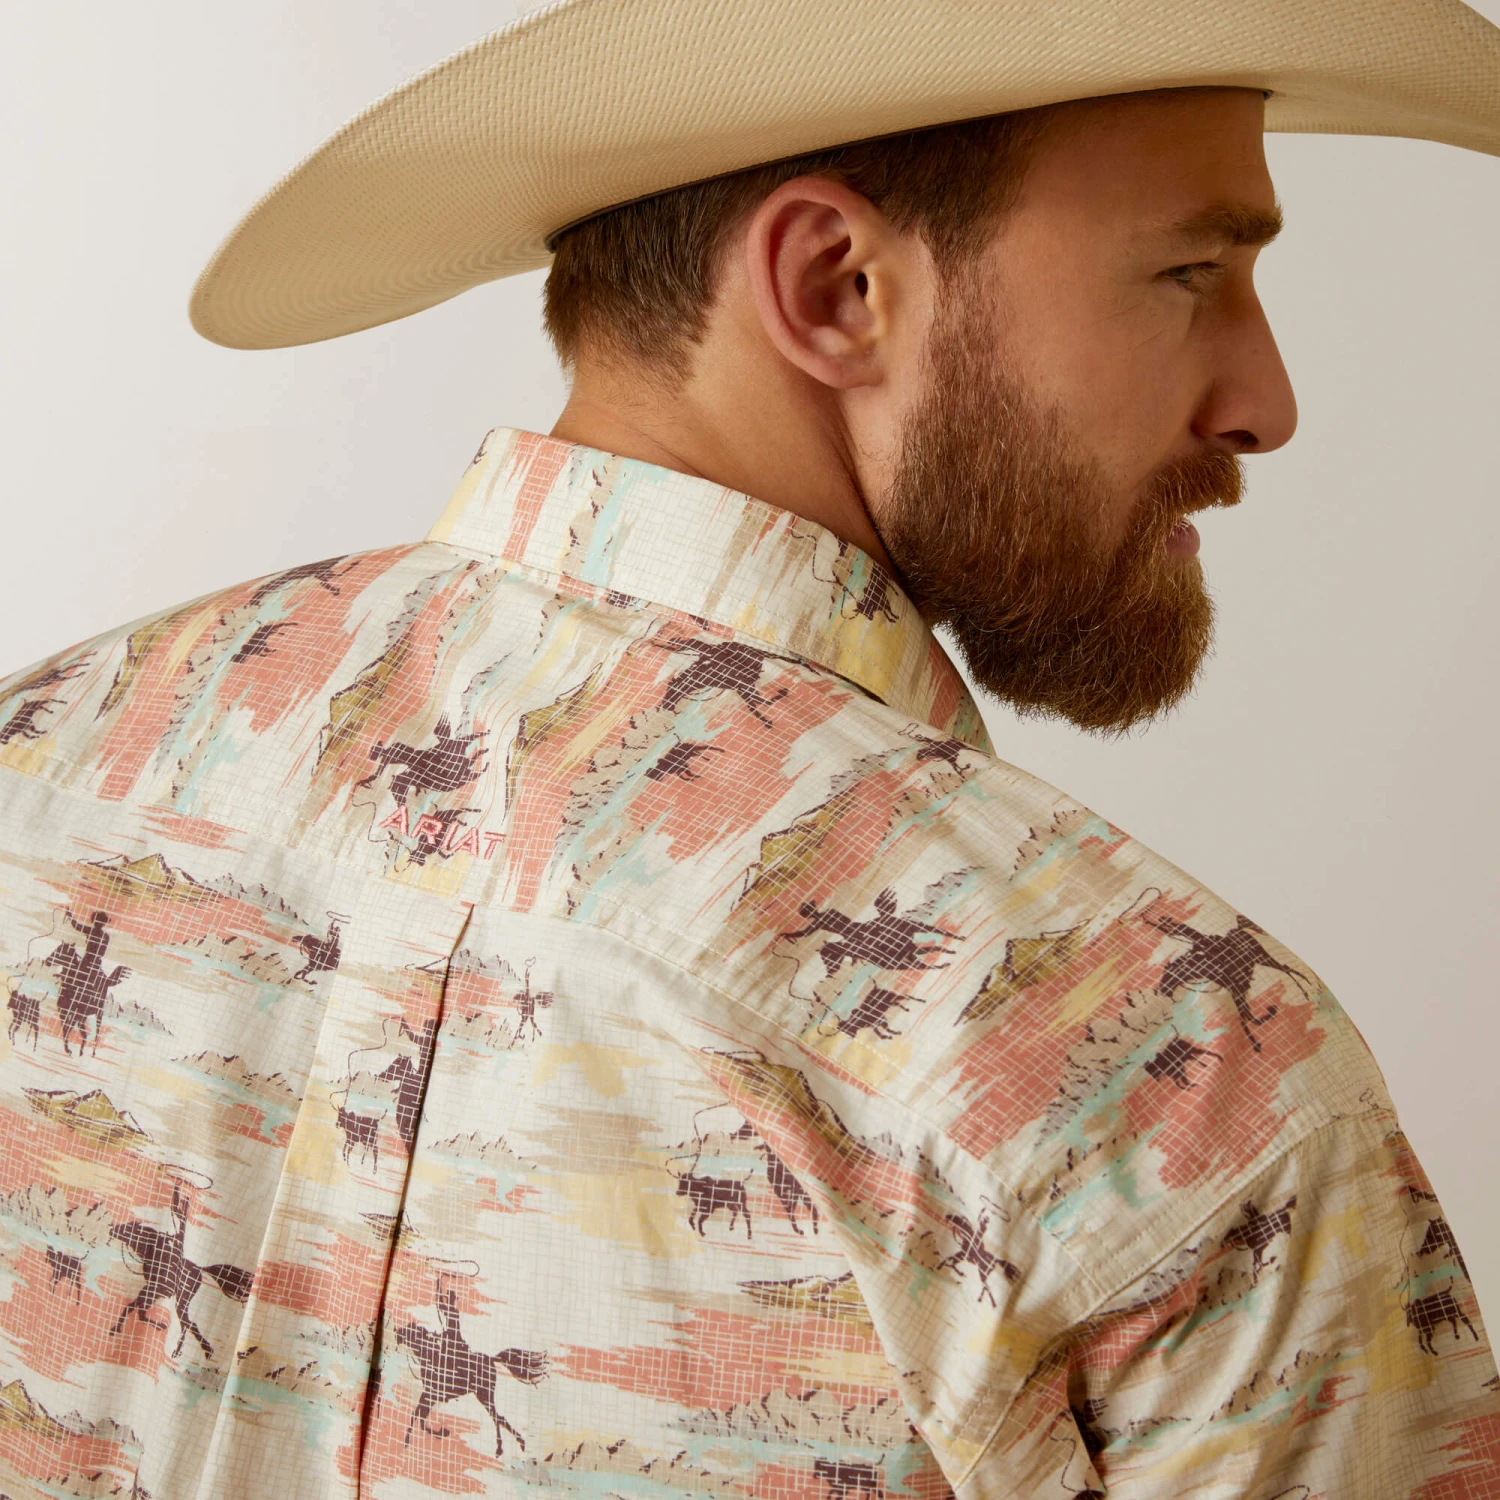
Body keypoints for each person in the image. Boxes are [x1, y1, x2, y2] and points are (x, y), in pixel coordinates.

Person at [1, 3, 1497, 1496]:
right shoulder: (1177, 1077)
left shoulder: (39, 759)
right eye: (1191, 273)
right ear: (836, 287)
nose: (1266, 403)